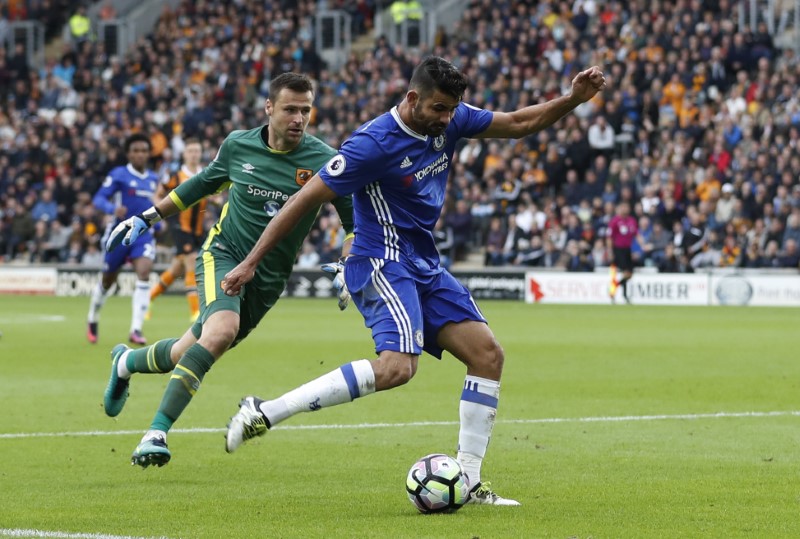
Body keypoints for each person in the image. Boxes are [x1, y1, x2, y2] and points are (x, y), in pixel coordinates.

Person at [221, 56, 606, 506]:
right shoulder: (372, 144)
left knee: (487, 356)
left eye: (452, 110)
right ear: (411, 99)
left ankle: (469, 480)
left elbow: (520, 123)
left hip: (423, 262)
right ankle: (263, 412)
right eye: (439, 109)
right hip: (381, 260)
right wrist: (249, 262)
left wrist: (574, 99)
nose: (447, 119)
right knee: (397, 368)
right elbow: (305, 199)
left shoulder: (451, 118)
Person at [101, 73, 354, 469]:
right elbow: (202, 184)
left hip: (269, 280)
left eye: (306, 110)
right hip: (224, 253)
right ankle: (156, 432)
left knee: (185, 351)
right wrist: (146, 217)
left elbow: (353, 221)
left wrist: (348, 263)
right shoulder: (238, 145)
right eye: (290, 109)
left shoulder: (324, 160)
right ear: (268, 108)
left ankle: (124, 363)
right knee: (221, 331)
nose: (299, 118)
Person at [87, 133, 159, 345]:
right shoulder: (118, 175)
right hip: (119, 234)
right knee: (108, 280)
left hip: (143, 236)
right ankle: (93, 316)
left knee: (144, 272)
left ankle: (135, 329)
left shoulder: (154, 180)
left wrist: (160, 222)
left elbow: (158, 205)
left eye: (144, 151)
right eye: (135, 150)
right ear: (128, 153)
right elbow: (98, 198)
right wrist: (112, 208)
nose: (140, 154)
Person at [147, 138, 206, 322]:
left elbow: (212, 195)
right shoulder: (176, 175)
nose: (194, 154)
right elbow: (158, 194)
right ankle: (195, 312)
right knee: (192, 261)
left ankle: (148, 299)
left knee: (176, 270)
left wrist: (215, 200)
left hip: (197, 228)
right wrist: (161, 214)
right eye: (191, 151)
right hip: (180, 226)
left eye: (197, 150)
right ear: (184, 154)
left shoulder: (206, 174)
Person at [607, 200, 638, 304]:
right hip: (618, 249)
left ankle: (614, 288)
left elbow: (636, 234)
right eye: (623, 207)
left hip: (627, 250)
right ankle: (624, 296)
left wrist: (643, 245)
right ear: (620, 208)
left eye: (627, 207)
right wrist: (610, 251)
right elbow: (609, 237)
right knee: (625, 272)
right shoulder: (615, 221)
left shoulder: (632, 221)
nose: (625, 209)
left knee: (629, 274)